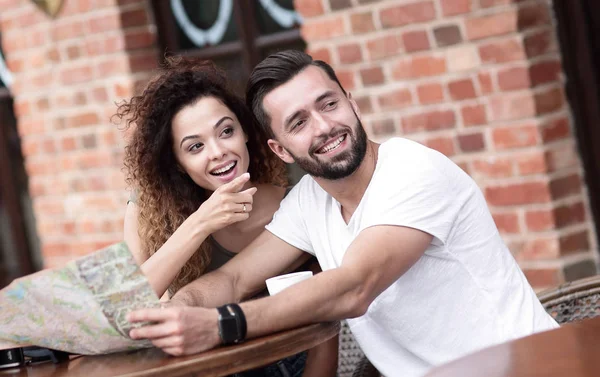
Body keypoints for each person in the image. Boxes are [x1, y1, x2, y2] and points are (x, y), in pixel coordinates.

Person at [127, 50, 559, 377]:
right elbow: (233, 279)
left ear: (351, 103)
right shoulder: (309, 204)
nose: (323, 127)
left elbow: (355, 286)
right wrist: (181, 310)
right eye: (298, 122)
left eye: (328, 104)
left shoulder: (412, 169)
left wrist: (222, 324)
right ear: (280, 149)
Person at [115, 56, 338, 377]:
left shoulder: (295, 205)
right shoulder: (146, 210)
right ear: (177, 163)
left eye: (226, 131)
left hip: (290, 363)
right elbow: (124, 311)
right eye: (195, 147)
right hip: (201, 367)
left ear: (246, 132)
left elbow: (325, 322)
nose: (218, 151)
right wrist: (201, 222)